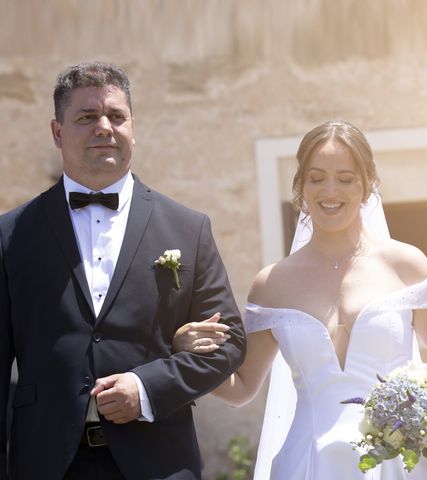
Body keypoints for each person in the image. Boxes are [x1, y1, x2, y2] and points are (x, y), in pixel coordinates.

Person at [174, 120, 427, 479]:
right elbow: (242, 388)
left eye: (345, 178)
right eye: (316, 178)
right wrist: (184, 355)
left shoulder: (407, 264)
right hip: (309, 464)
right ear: (301, 186)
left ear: (366, 184)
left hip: (401, 464)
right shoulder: (271, 284)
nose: (330, 190)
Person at [0, 61, 246, 480]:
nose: (103, 127)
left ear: (133, 126)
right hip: (46, 463)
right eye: (86, 117)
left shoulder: (188, 228)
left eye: (116, 116)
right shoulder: (10, 235)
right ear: (57, 132)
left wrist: (147, 387)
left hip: (160, 461)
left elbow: (229, 344)